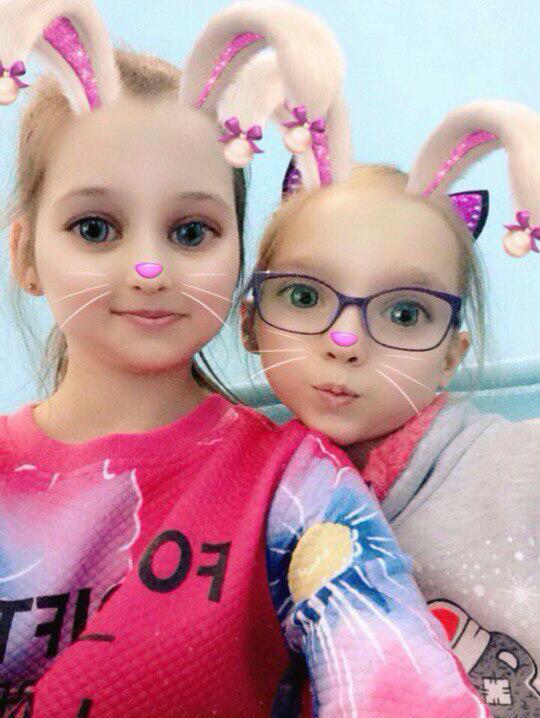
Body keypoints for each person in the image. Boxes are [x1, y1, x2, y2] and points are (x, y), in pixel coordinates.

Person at [242, 99, 540, 717]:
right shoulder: (242, 500)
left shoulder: (519, 466)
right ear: (250, 321)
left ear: (451, 356)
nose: (345, 341)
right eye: (304, 296)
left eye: (405, 313)